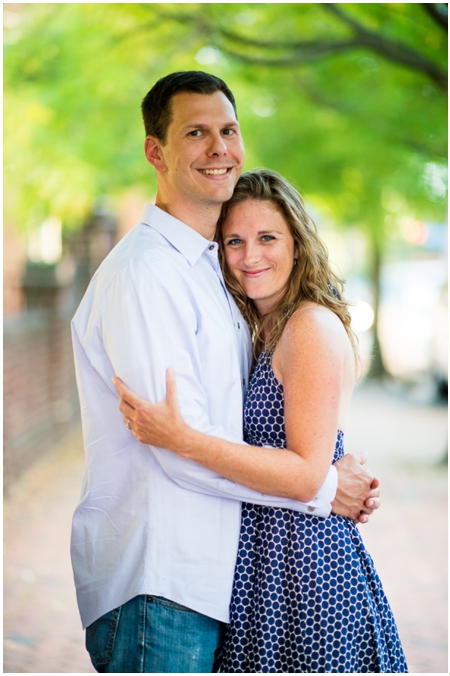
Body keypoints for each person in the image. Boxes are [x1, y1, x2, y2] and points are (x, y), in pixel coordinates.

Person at [70, 71, 379, 673]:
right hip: (158, 580)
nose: (219, 148)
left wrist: (325, 466)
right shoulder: (148, 275)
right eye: (196, 132)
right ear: (156, 152)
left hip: (217, 583)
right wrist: (322, 487)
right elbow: (174, 445)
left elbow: (248, 425)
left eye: (228, 130)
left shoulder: (213, 275)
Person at [115, 168, 408, 672]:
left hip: (305, 570)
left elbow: (307, 474)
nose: (250, 256)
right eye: (235, 241)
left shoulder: (309, 326)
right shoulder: (263, 329)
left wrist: (182, 438)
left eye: (267, 238)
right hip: (263, 563)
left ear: (297, 242)